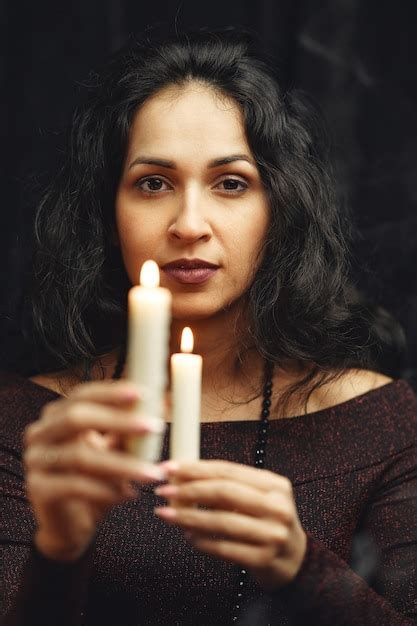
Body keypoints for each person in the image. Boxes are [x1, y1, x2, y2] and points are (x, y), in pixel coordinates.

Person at [0, 28, 416, 626]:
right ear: (107, 209)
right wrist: (59, 551)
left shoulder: (381, 422)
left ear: (280, 207)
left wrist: (302, 567)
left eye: (230, 183)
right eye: (153, 183)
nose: (189, 224)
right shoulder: (30, 425)